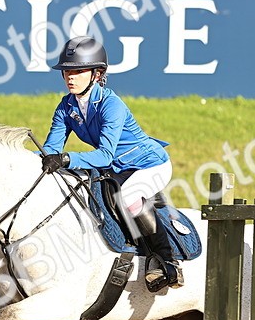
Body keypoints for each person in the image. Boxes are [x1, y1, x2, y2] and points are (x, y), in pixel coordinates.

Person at [40, 36, 183, 292]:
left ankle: (167, 261)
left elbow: (105, 155)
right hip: (117, 169)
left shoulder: (111, 104)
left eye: (78, 71)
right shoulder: (66, 107)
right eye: (67, 71)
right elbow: (51, 148)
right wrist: (42, 160)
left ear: (97, 74)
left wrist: (66, 159)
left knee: (128, 197)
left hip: (149, 164)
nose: (70, 77)